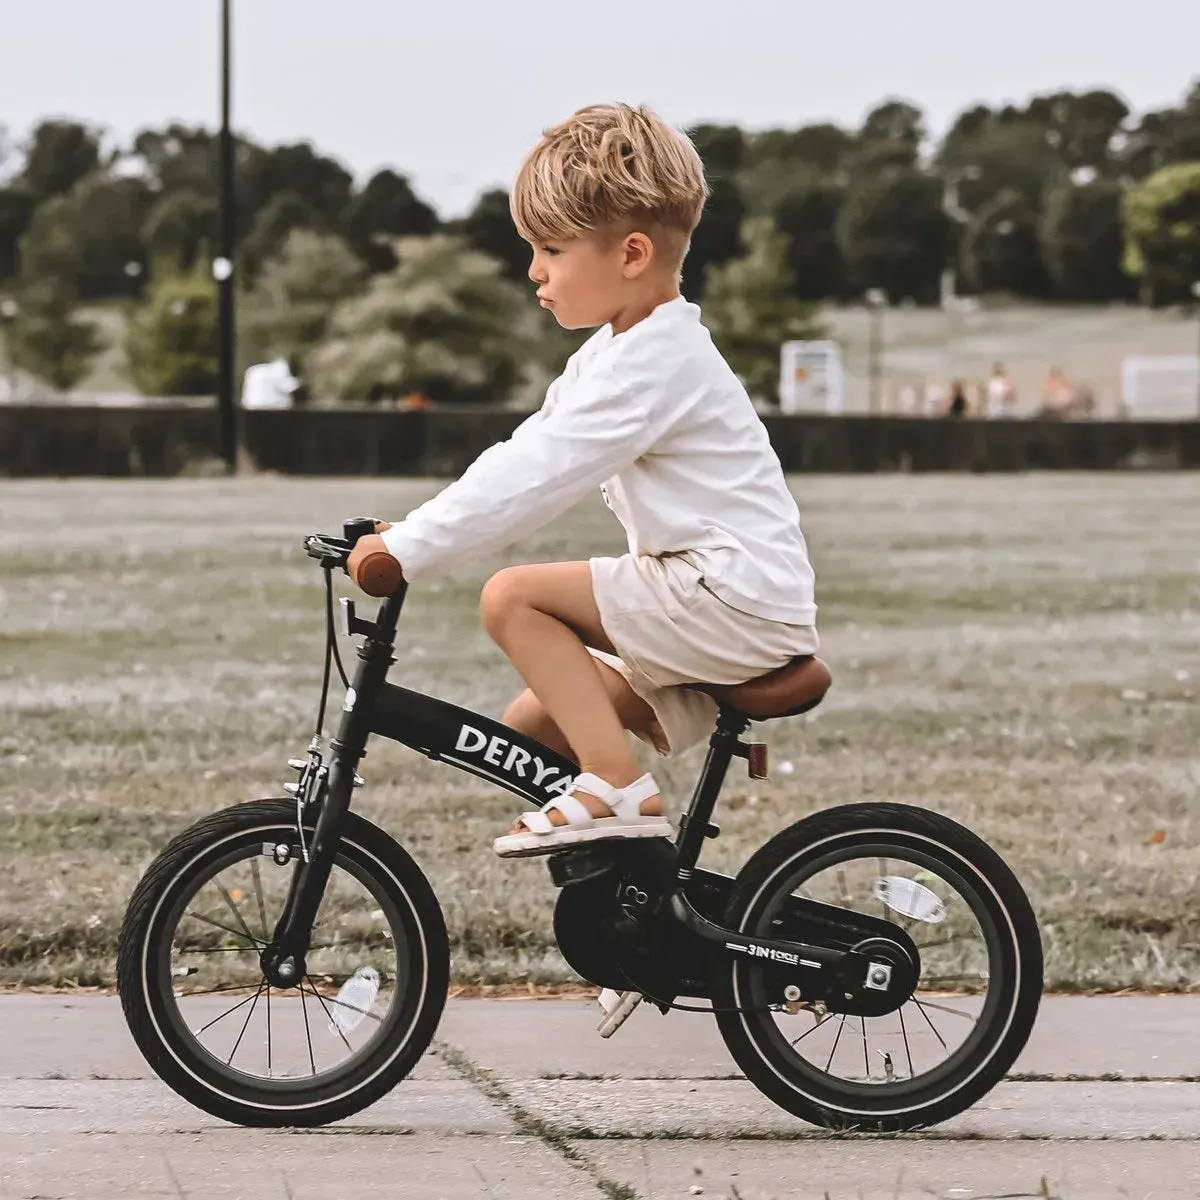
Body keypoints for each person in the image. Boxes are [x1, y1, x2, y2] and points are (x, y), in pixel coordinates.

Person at [346, 103, 818, 860]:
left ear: (631, 254)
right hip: (721, 598)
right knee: (534, 728)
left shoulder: (653, 364)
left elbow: (537, 474)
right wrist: (411, 532)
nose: (535, 270)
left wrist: (410, 554)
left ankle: (616, 786)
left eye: (551, 249)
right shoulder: (617, 352)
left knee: (514, 597)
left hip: (727, 598)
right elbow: (524, 449)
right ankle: (638, 913)